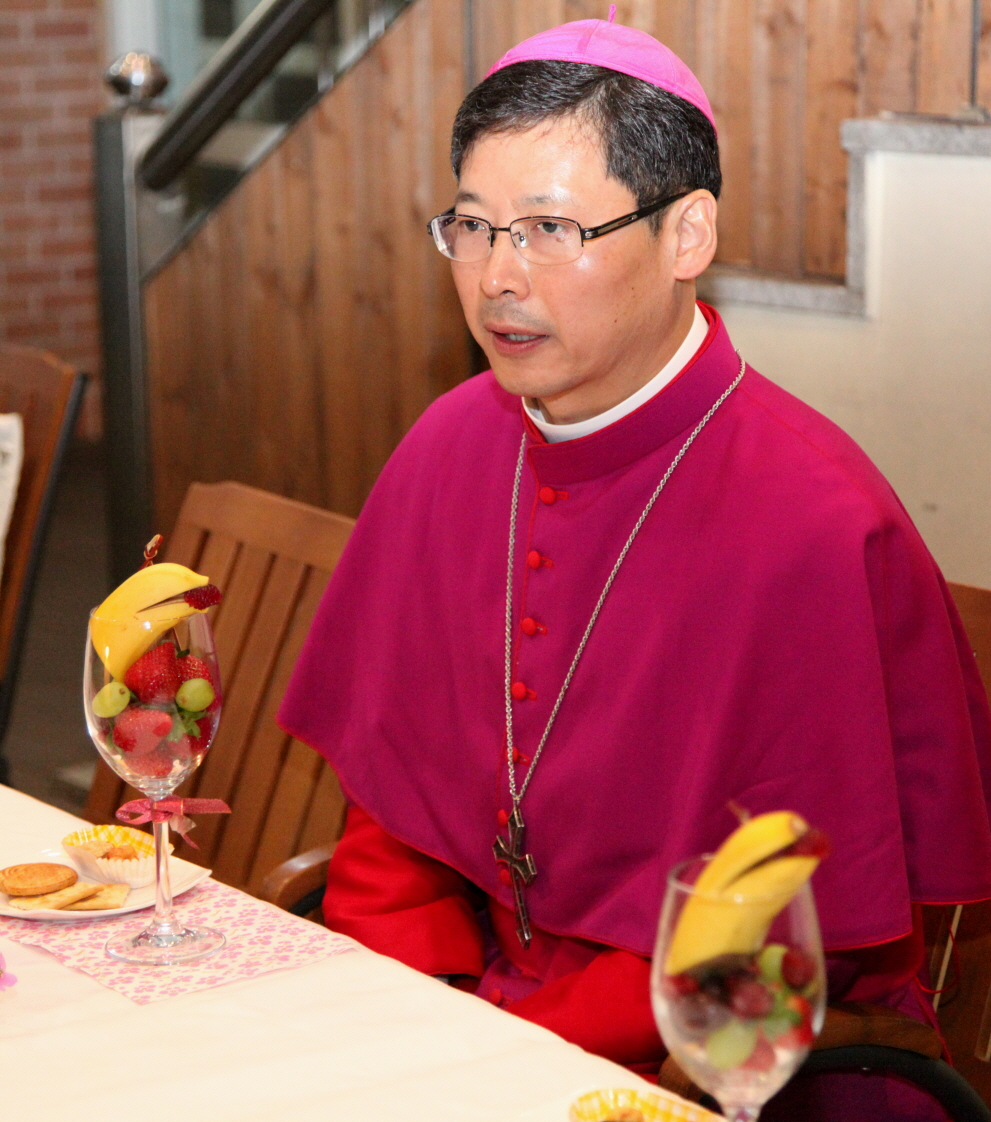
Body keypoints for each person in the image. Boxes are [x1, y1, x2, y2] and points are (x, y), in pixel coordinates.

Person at [278, 14, 991, 1117]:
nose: (497, 278)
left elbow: (779, 948)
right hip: (467, 1022)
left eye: (549, 229)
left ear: (686, 233)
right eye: (473, 226)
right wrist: (411, 1015)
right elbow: (391, 811)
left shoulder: (809, 525)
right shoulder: (446, 446)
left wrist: (494, 1057)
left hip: (736, 1063)